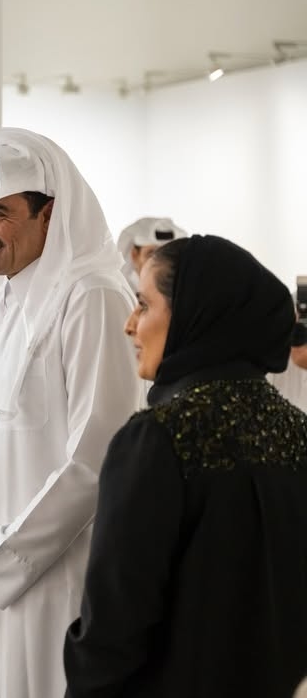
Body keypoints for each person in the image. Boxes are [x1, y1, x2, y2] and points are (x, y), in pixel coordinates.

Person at [0, 127, 142, 698]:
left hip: (57, 582)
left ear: (50, 212)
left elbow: (97, 461)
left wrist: (0, 566)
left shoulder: (93, 297)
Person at [64, 235, 307, 697]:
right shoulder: (297, 430)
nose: (130, 325)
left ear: (195, 315)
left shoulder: (157, 439)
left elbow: (113, 627)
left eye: (144, 305)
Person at [115, 216, 188, 292]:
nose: (162, 263)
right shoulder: (121, 293)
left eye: (169, 255)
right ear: (135, 255)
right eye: (152, 255)